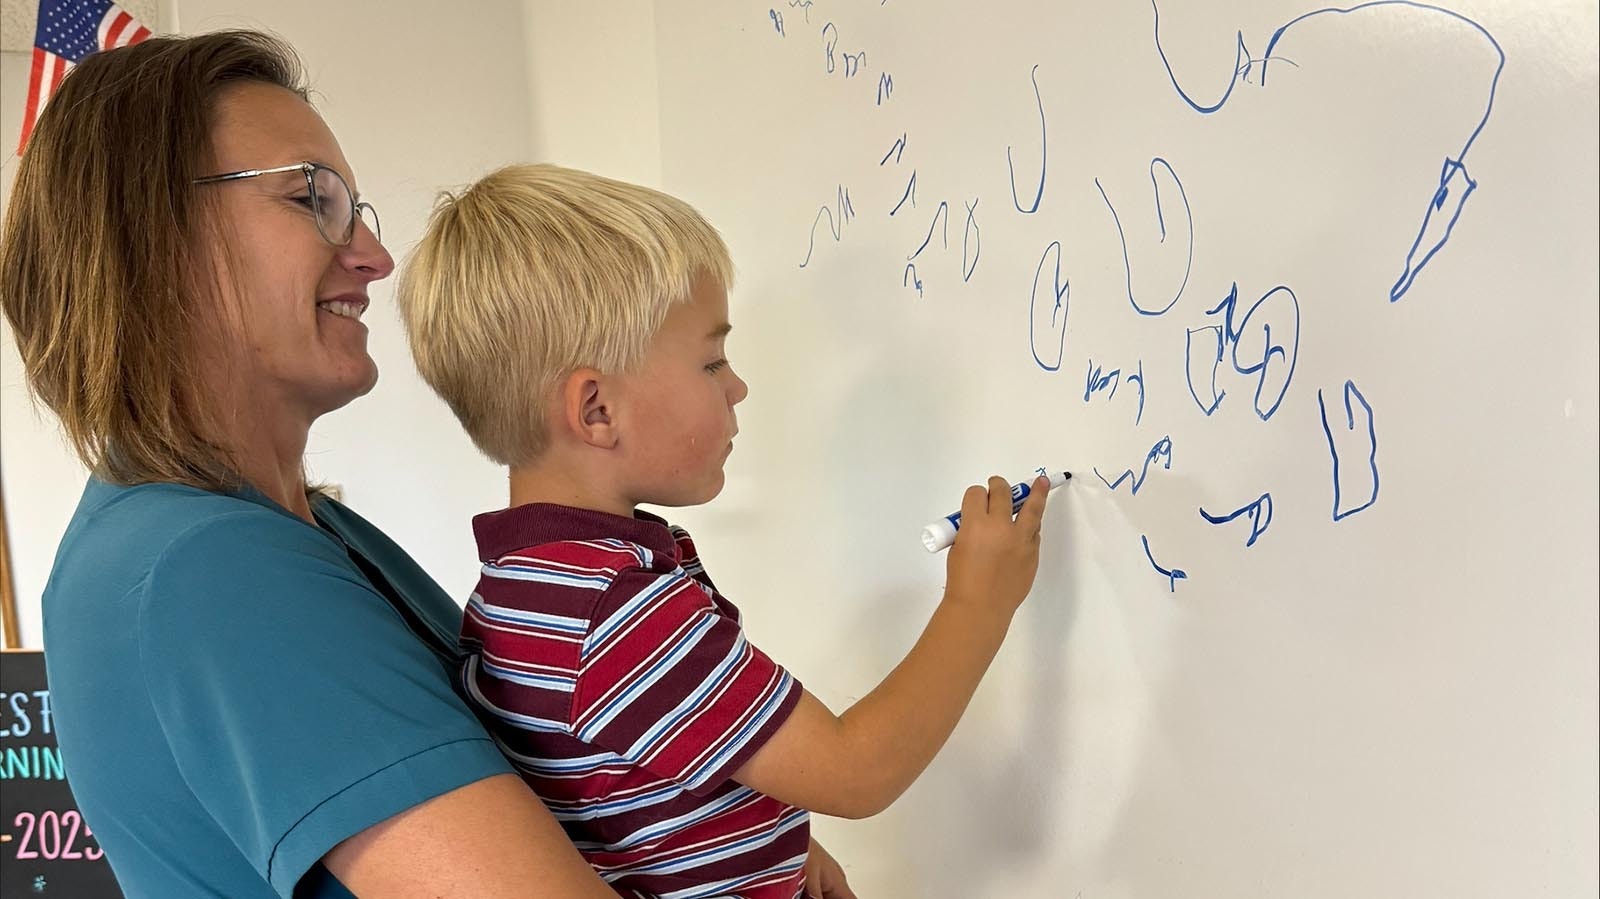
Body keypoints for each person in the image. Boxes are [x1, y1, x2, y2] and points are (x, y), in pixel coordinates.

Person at [0, 32, 618, 898]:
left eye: (357, 209)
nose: (373, 257)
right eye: (313, 198)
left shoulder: (264, 530)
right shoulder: (211, 566)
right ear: (149, 236)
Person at [396, 163, 1053, 898]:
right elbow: (856, 771)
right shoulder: (613, 611)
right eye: (712, 360)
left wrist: (770, 845)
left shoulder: (531, 583)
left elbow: (625, 783)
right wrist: (978, 606)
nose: (737, 385)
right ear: (596, 411)